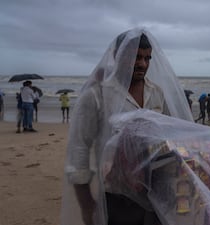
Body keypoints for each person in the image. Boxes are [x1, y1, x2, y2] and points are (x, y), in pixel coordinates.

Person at [61, 28, 193, 225]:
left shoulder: (156, 93)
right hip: (117, 197)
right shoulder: (97, 95)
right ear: (117, 55)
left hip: (157, 193)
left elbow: (170, 137)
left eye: (147, 58)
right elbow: (79, 150)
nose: (142, 64)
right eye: (135, 57)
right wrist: (87, 204)